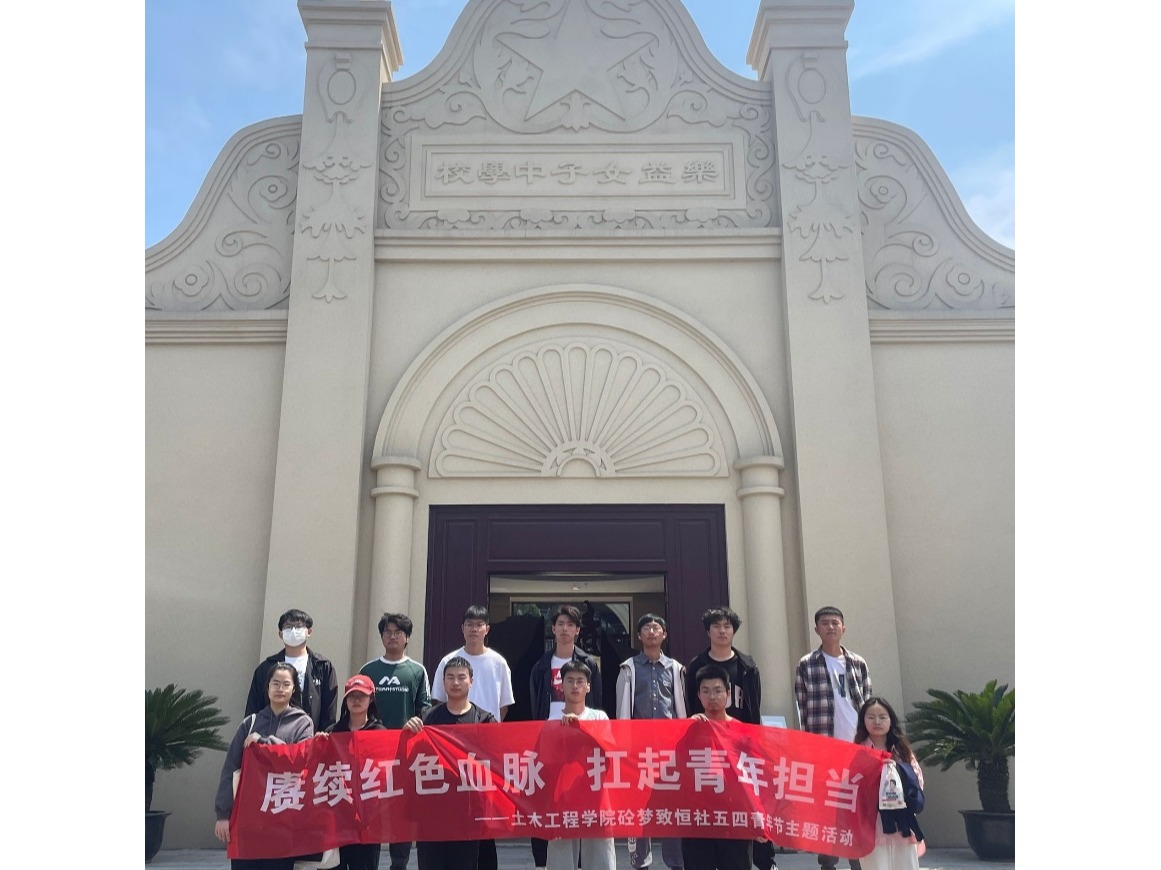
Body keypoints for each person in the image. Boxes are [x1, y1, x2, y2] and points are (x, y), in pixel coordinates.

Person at [685, 606, 775, 870]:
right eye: (716, 626)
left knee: (743, 802)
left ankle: (765, 860)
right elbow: (690, 703)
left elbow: (754, 706)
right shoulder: (696, 666)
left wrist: (753, 740)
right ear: (708, 632)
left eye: (727, 626)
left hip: (739, 747)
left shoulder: (747, 666)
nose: (722, 631)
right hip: (705, 750)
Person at [430, 605, 514, 870]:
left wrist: (486, 732)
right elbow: (438, 702)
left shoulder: (498, 662)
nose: (474, 629)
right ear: (462, 628)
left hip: (485, 752)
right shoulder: (449, 660)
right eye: (470, 624)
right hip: (449, 754)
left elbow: (503, 706)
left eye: (479, 625)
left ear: (487, 629)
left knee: (484, 815)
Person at [794, 606, 873, 870]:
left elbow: (868, 703)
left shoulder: (858, 663)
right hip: (824, 748)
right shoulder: (806, 664)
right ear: (816, 629)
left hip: (856, 748)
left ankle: (858, 862)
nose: (830, 627)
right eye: (825, 623)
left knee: (856, 809)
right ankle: (827, 863)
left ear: (843, 628)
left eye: (835, 623)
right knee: (826, 811)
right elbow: (802, 708)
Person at [215, 662, 315, 870]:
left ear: (294, 689)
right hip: (247, 823)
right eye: (275, 683)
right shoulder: (250, 723)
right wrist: (223, 815)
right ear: (267, 686)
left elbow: (300, 759)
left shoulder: (303, 723)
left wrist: (263, 741)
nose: (280, 689)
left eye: (286, 684)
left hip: (282, 823)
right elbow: (231, 768)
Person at [528, 604, 604, 870]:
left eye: (570, 625)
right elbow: (534, 704)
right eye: (560, 624)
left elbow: (597, 701)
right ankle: (544, 861)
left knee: (583, 801)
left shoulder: (589, 663)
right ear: (553, 628)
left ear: (577, 630)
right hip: (551, 742)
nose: (564, 629)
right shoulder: (541, 665)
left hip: (582, 744)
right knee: (549, 802)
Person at [404, 656, 497, 869]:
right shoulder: (427, 718)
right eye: (450, 677)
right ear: (443, 681)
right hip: (432, 815)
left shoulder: (484, 720)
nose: (455, 682)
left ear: (471, 681)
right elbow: (408, 758)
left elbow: (496, 760)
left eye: (461, 677)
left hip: (468, 814)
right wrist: (407, 731)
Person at [359, 612, 433, 870]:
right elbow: (357, 707)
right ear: (381, 637)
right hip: (372, 754)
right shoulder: (368, 670)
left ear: (407, 638)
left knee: (401, 813)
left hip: (404, 754)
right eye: (387, 632)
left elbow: (424, 709)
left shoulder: (416, 670)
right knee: (371, 811)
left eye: (398, 633)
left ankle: (399, 865)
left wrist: (415, 723)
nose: (392, 637)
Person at [616, 613, 686, 870]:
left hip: (670, 748)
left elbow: (680, 707)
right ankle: (640, 862)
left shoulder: (676, 669)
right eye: (646, 628)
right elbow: (622, 709)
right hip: (639, 749)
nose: (652, 632)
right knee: (639, 808)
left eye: (656, 628)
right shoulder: (629, 668)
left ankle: (676, 862)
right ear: (639, 635)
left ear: (664, 634)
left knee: (671, 806)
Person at [545, 660, 616, 870]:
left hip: (596, 794)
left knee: (600, 855)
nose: (575, 686)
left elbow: (610, 751)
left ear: (588, 687)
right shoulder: (552, 721)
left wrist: (581, 728)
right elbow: (547, 759)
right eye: (570, 681)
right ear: (561, 685)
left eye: (580, 681)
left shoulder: (599, 717)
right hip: (562, 796)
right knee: (560, 854)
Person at [682, 664, 753, 870]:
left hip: (734, 819)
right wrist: (686, 729)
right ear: (698, 695)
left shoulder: (741, 731)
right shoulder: (690, 729)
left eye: (717, 690)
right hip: (699, 819)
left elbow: (753, 778)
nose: (712, 697)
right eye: (706, 691)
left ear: (728, 694)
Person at [322, 675, 387, 870]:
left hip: (367, 821)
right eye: (352, 696)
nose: (356, 700)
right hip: (337, 818)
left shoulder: (381, 733)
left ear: (371, 698)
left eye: (362, 696)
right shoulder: (332, 733)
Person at [852, 698, 925, 870]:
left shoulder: (902, 750)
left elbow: (917, 780)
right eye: (871, 717)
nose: (877, 721)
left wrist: (897, 771)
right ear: (863, 721)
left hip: (902, 822)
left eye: (882, 717)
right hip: (871, 824)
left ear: (891, 721)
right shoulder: (857, 751)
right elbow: (850, 782)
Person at [246, 607, 338, 732]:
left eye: (299, 627)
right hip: (271, 737)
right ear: (280, 634)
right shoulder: (266, 668)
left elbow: (329, 712)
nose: (294, 631)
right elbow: (253, 708)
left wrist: (322, 737)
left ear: (309, 631)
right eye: (288, 627)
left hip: (311, 737)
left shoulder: (323, 667)